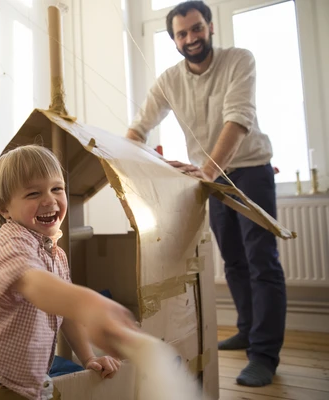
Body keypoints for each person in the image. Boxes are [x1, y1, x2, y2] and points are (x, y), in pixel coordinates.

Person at [126, 0, 286, 388]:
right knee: (233, 261)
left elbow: (238, 119)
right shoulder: (168, 80)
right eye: (182, 33)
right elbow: (137, 129)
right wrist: (137, 163)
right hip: (208, 180)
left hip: (249, 170)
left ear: (210, 27)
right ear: (174, 40)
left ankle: (263, 354)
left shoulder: (239, 61)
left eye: (197, 28)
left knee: (261, 260)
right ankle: (248, 330)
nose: (190, 38)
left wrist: (208, 170)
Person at [0, 145, 137, 400]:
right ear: (5, 209)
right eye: (33, 193)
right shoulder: (11, 242)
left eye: (57, 188)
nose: (49, 200)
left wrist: (88, 357)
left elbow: (66, 311)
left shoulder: (56, 253)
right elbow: (34, 283)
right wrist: (91, 304)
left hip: (24, 377)